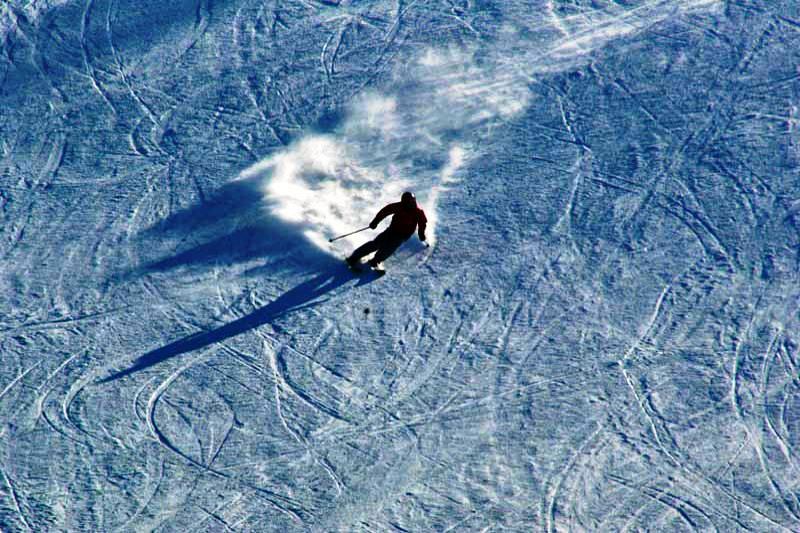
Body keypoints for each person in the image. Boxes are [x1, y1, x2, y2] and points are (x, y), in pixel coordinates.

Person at [346, 191, 427, 269]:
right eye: (406, 203)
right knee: (377, 243)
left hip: (403, 235)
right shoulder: (399, 206)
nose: (409, 205)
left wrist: (421, 234)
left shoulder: (418, 212)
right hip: (392, 230)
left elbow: (422, 224)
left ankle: (376, 261)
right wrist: (375, 222)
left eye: (411, 202)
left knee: (389, 248)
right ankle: (355, 257)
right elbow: (384, 212)